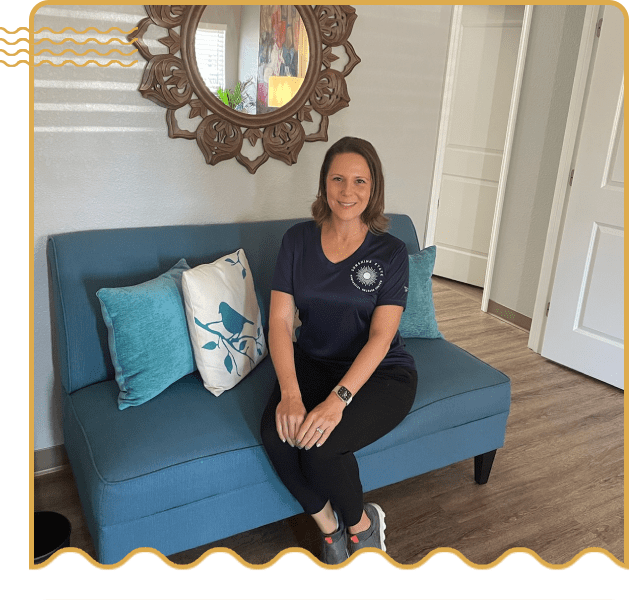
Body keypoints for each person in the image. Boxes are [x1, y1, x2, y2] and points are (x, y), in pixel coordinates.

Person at [260, 136, 418, 564]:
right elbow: (278, 321)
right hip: (312, 362)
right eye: (338, 179)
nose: (348, 192)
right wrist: (291, 394)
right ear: (324, 184)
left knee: (322, 446)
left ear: (374, 189)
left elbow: (381, 338)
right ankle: (332, 528)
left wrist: (338, 400)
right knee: (278, 437)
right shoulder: (296, 240)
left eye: (360, 181)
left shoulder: (391, 251)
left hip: (380, 372)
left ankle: (363, 528)